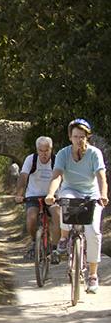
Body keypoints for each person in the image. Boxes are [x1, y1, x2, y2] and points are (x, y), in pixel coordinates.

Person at [45, 118, 109, 294]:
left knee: (93, 232)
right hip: (70, 190)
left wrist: (103, 195)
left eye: (82, 136)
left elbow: (101, 177)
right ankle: (64, 238)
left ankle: (93, 275)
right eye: (75, 136)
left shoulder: (94, 154)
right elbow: (57, 176)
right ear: (70, 137)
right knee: (64, 200)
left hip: (91, 194)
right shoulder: (63, 154)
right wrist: (51, 194)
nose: (79, 140)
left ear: (88, 137)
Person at [14, 136, 62, 260]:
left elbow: (61, 178)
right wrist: (19, 194)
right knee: (31, 218)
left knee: (57, 215)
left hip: (52, 196)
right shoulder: (31, 159)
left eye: (47, 151)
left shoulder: (57, 160)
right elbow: (23, 176)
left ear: (51, 150)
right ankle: (35, 242)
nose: (44, 154)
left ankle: (55, 249)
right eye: (41, 150)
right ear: (37, 150)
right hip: (33, 195)